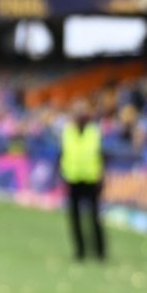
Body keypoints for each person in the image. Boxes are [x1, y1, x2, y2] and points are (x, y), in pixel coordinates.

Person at [60, 101, 106, 260]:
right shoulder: (68, 131)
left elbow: (99, 154)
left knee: (94, 218)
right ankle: (80, 251)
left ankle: (100, 252)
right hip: (73, 179)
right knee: (75, 219)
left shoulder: (93, 131)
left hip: (91, 179)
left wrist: (100, 176)